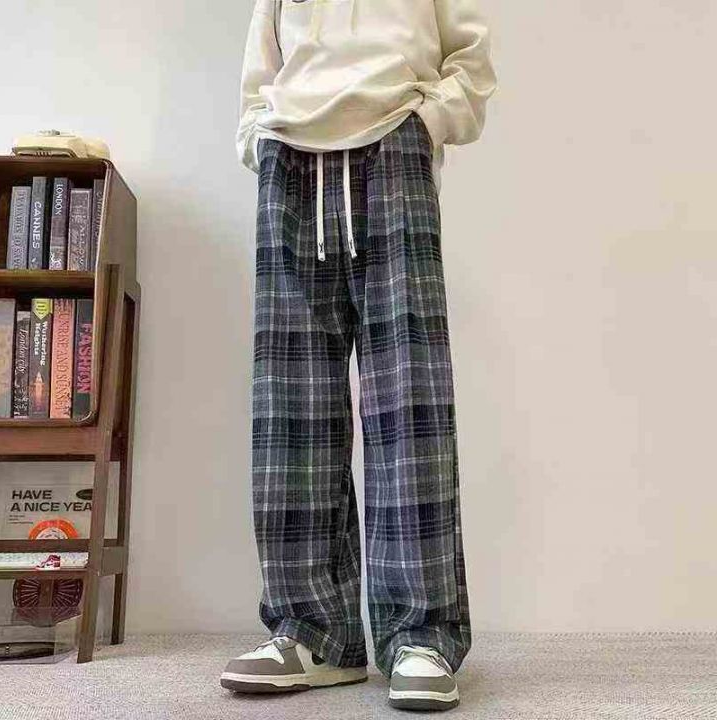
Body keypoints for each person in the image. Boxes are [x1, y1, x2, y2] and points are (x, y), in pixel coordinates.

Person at [220, 0, 497, 711]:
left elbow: (470, 58)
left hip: (394, 140)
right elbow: (260, 70)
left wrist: (428, 121)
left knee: (408, 401)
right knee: (292, 409)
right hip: (290, 156)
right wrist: (260, 136)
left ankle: (421, 634)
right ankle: (312, 632)